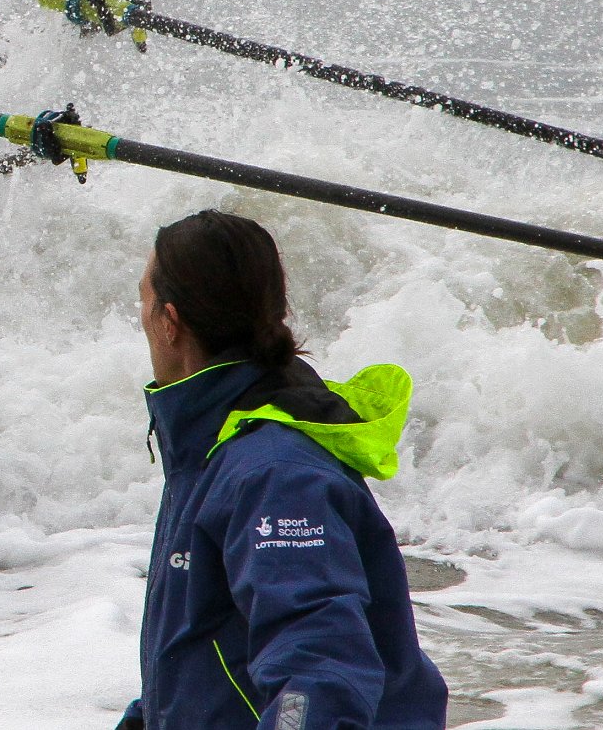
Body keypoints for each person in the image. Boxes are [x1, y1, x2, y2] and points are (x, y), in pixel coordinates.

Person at [123, 210, 447, 730]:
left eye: (141, 299)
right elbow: (209, 658)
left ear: (169, 320)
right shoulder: (209, 447)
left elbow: (319, 667)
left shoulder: (272, 474)